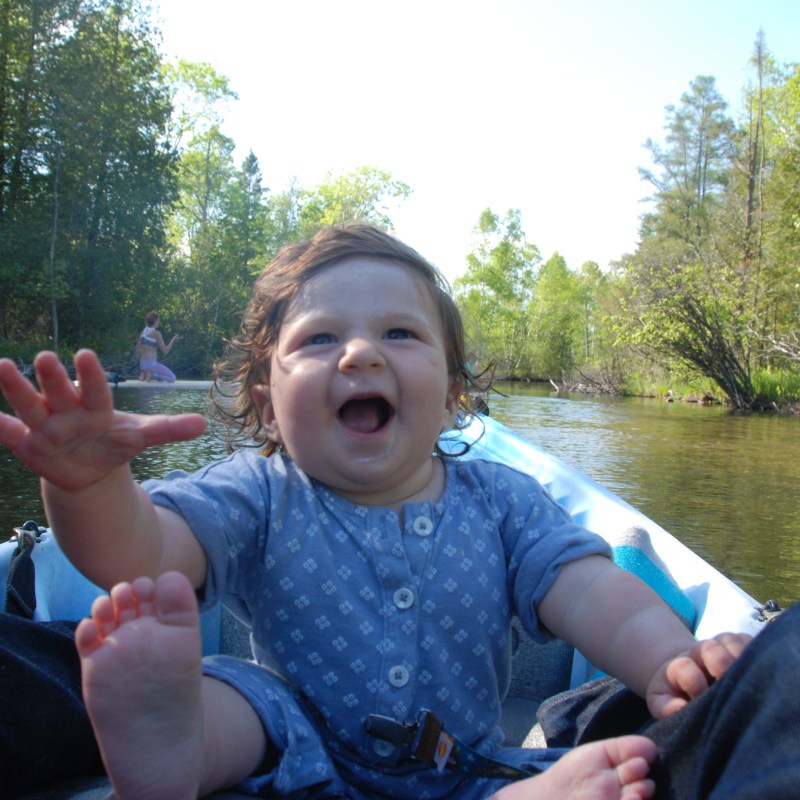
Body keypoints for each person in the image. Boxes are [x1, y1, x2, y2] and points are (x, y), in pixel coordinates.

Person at [0, 224, 787, 800]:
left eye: (399, 333)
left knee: (596, 760)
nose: (360, 353)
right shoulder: (257, 491)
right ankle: (177, 743)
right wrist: (87, 489)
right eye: (319, 340)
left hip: (464, 768)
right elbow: (142, 556)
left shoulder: (504, 502)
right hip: (296, 752)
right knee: (240, 690)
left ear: (450, 397)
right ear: (268, 406)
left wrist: (667, 659)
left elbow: (591, 594)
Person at [135, 310, 180, 382]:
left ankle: (145, 374)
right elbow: (165, 351)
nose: (159, 322)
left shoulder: (143, 332)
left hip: (142, 364)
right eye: (158, 320)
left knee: (159, 377)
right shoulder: (156, 333)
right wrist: (173, 339)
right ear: (155, 321)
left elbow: (137, 350)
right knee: (172, 378)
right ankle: (152, 375)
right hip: (151, 364)